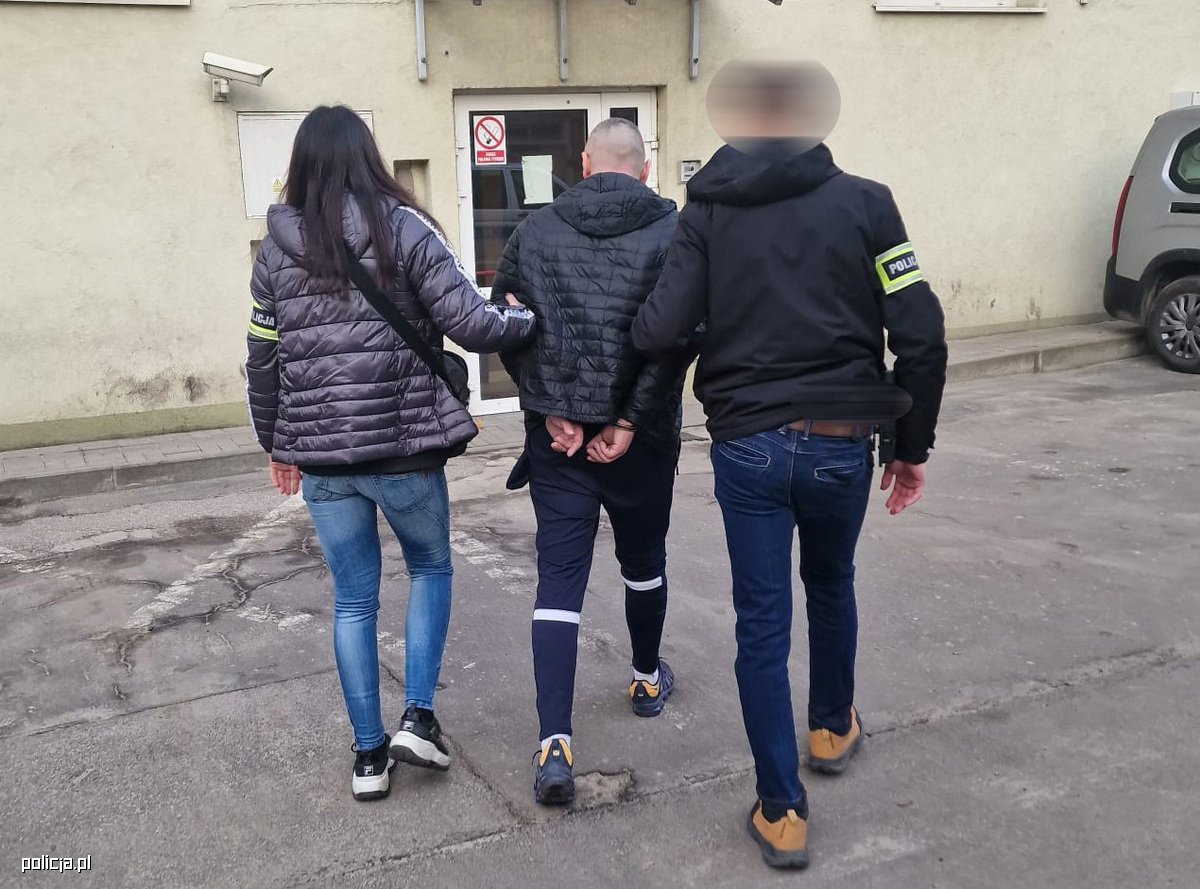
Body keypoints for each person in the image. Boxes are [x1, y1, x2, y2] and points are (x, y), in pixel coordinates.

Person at [632, 61, 948, 868]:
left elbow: (662, 328)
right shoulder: (868, 204)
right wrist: (910, 446)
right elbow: (921, 332)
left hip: (749, 446)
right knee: (832, 582)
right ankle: (832, 727)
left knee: (762, 623)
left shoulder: (707, 213)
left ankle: (782, 811)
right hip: (842, 440)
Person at [245, 105, 535, 802]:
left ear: (302, 164)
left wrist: (275, 442)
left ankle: (369, 758)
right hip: (403, 448)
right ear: (366, 157)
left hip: (323, 459)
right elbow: (471, 323)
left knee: (353, 600)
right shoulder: (403, 227)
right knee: (430, 567)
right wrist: (528, 318)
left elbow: (262, 358)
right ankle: (419, 718)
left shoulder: (273, 250)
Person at [489, 118, 690, 806]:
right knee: (644, 562)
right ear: (644, 168)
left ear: (582, 162)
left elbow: (506, 322)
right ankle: (645, 679)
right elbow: (681, 339)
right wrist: (629, 421)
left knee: (558, 582)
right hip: (642, 442)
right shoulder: (674, 234)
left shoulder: (535, 231)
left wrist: (552, 407)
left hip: (560, 444)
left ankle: (554, 744)